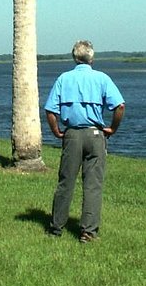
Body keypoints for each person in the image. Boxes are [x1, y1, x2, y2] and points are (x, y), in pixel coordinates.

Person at [44, 40, 125, 242]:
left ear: (74, 58)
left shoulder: (64, 79)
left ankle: (56, 227)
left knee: (66, 182)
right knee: (93, 184)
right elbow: (120, 106)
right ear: (92, 58)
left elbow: (50, 110)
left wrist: (57, 132)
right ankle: (88, 231)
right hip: (95, 134)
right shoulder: (101, 78)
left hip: (72, 134)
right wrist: (112, 128)